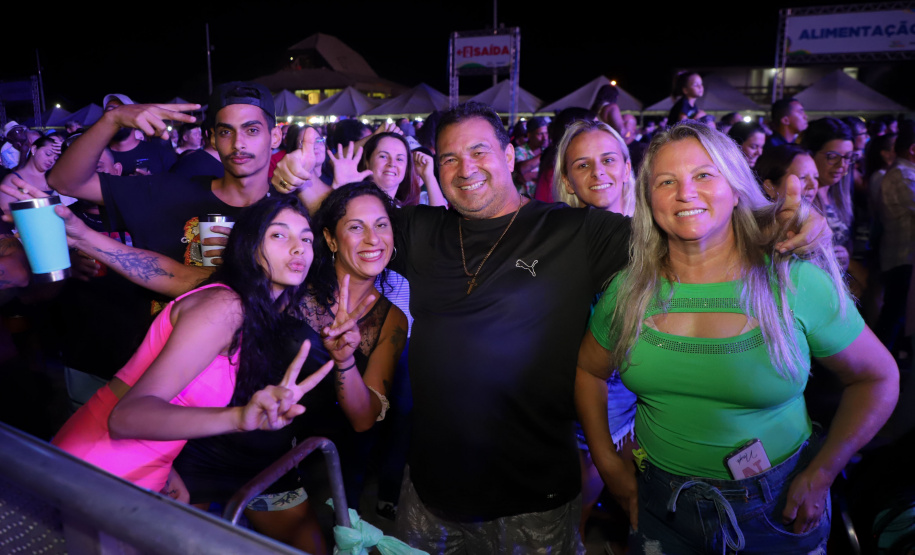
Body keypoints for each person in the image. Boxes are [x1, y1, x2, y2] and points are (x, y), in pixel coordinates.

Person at [272, 102, 830, 553]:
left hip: (536, 499)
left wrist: (777, 221)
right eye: (448, 159)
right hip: (431, 494)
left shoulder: (578, 232)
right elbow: (347, 221)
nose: (465, 168)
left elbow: (686, 234)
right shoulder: (419, 229)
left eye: (479, 151)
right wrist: (296, 178)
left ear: (509, 155)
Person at [576, 121, 898, 555]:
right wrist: (608, 464)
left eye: (704, 175)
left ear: (735, 188)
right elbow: (589, 371)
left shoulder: (792, 281)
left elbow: (878, 379)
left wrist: (822, 472)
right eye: (666, 181)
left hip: (777, 505)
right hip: (659, 503)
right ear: (648, 200)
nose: (685, 192)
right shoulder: (628, 291)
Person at [47, 194, 335, 495]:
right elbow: (125, 417)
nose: (298, 247)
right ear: (249, 246)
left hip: (140, 467)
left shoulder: (250, 310)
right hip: (98, 466)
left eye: (306, 238)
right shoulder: (224, 306)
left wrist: (167, 470)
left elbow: (172, 400)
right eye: (278, 235)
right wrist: (239, 418)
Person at [874, 120, 915, 352]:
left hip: (902, 258)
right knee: (893, 319)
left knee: (896, 318)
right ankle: (878, 365)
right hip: (902, 258)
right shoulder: (903, 174)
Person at [801, 117, 856, 270]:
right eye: (832, 156)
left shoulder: (839, 194)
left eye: (848, 157)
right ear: (811, 155)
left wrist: (846, 257)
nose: (842, 165)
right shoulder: (803, 197)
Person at [553, 119, 635, 216]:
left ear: (626, 170)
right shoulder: (553, 225)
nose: (597, 171)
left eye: (608, 160)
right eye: (583, 165)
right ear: (567, 182)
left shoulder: (648, 225)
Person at [0, 135, 63, 213]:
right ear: (34, 149)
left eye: (55, 158)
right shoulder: (13, 179)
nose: (51, 160)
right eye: (48, 154)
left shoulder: (54, 179)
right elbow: (6, 212)